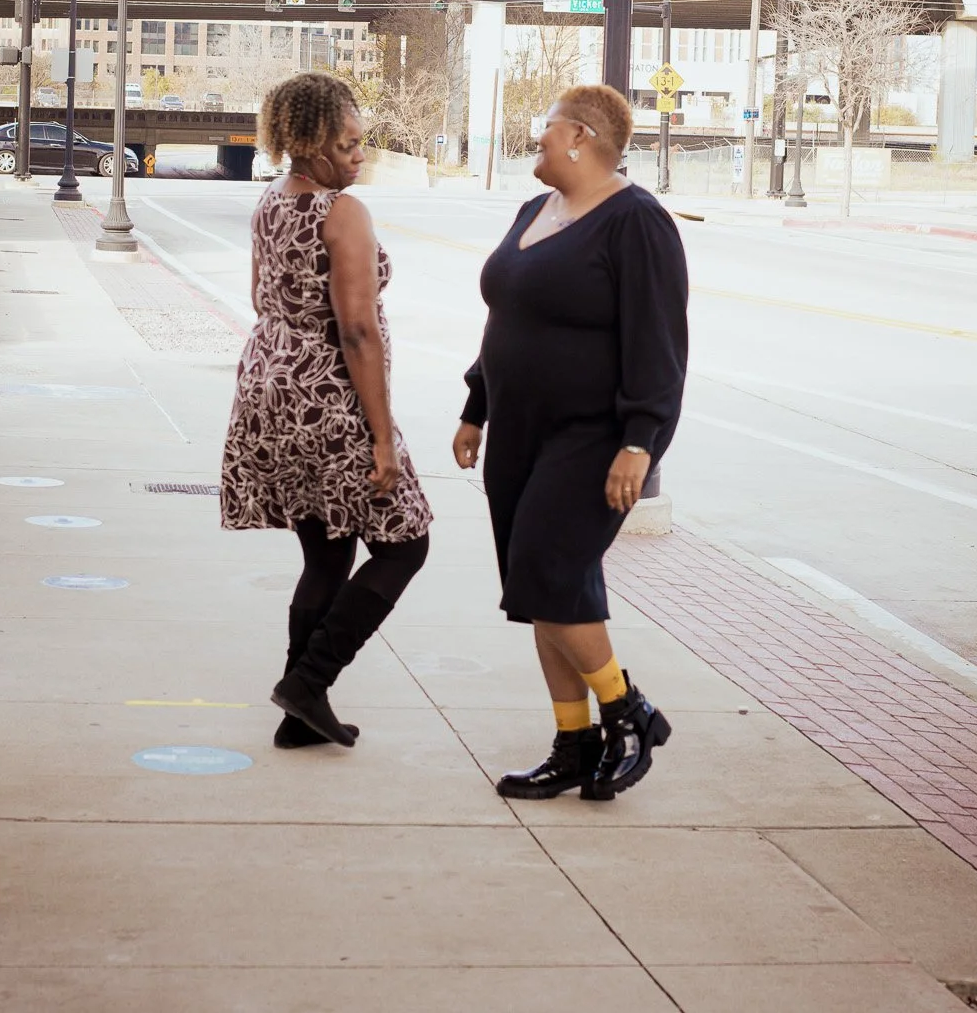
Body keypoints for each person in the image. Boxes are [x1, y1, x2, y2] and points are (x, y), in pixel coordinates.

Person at [453, 83, 689, 800]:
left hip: (593, 436)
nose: (538, 137)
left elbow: (659, 341)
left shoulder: (637, 222)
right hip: (519, 431)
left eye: (547, 126)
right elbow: (509, 320)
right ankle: (575, 744)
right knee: (542, 589)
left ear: (582, 136)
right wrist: (476, 403)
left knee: (548, 571)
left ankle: (629, 712)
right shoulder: (535, 211)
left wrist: (640, 441)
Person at [221, 72, 432, 748]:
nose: (358, 155)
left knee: (327, 552)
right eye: (347, 144)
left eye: (361, 143)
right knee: (406, 540)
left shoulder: (270, 203)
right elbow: (358, 331)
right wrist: (381, 438)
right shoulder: (343, 214)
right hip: (328, 399)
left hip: (269, 390)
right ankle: (308, 680)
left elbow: (261, 297)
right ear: (308, 140)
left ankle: (298, 714)